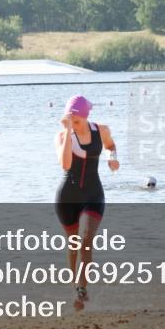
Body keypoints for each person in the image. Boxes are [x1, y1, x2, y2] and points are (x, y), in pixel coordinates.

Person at [55, 95, 119, 310]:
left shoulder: (101, 130)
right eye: (70, 120)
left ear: (85, 116)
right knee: (73, 244)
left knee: (86, 239)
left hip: (93, 194)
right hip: (68, 197)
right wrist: (68, 132)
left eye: (77, 121)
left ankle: (82, 288)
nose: (74, 124)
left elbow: (111, 146)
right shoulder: (62, 136)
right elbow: (65, 164)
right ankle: (74, 286)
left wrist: (113, 157)